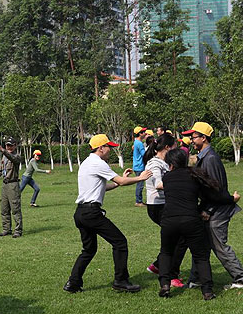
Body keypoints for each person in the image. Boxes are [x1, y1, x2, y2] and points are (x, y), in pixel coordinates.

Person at [64, 135, 152, 294]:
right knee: (120, 242)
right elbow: (121, 181)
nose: (110, 150)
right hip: (92, 213)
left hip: (81, 212)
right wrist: (140, 177)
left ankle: (73, 283)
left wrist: (120, 181)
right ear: (100, 148)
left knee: (88, 250)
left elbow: (101, 187)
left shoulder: (86, 163)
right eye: (109, 147)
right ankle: (121, 281)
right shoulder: (98, 163)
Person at [157, 149, 240, 300]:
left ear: (170, 164)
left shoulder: (167, 178)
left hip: (169, 220)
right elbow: (213, 195)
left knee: (166, 252)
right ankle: (207, 291)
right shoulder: (194, 176)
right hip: (191, 220)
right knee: (201, 256)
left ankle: (165, 284)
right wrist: (231, 199)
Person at [182, 122, 243, 290]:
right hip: (212, 208)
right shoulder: (204, 156)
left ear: (204, 137)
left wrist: (208, 210)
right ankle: (197, 278)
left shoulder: (211, 158)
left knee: (219, 246)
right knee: (201, 246)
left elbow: (216, 189)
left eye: (193, 137)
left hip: (217, 211)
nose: (191, 140)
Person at [142, 135, 186, 288]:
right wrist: (180, 184)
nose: (177, 150)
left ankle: (158, 265)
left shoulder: (164, 162)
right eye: (175, 146)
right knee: (179, 238)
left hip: (165, 205)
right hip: (158, 207)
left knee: (178, 237)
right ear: (167, 147)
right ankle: (171, 274)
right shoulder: (154, 163)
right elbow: (158, 184)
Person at [0, 138, 22, 238]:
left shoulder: (16, 156)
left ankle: (18, 230)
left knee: (15, 209)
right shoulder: (4, 158)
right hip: (5, 185)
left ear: (15, 145)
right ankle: (6, 229)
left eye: (11, 145)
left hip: (13, 185)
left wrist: (2, 150)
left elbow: (12, 158)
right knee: (4, 209)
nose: (9, 147)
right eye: (7, 145)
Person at [132, 126, 148, 207]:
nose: (145, 133)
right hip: (140, 166)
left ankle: (139, 200)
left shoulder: (136, 143)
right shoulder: (139, 143)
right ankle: (138, 201)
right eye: (143, 132)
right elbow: (144, 155)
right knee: (140, 185)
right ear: (140, 134)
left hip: (137, 166)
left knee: (140, 184)